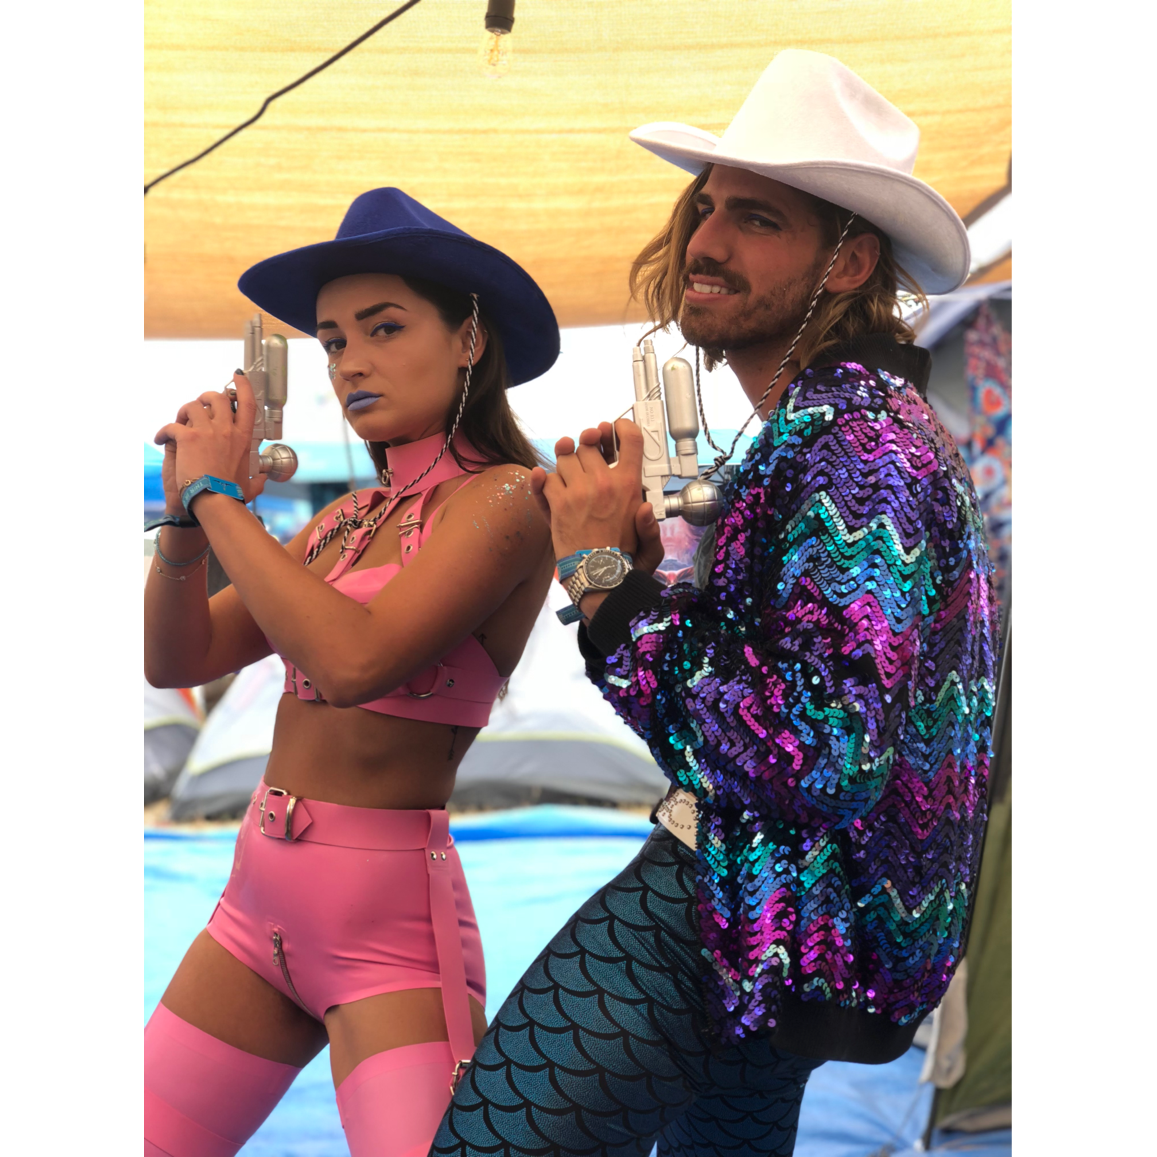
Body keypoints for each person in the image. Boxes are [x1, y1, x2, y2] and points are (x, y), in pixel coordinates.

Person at [432, 50, 997, 1156]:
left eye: (757, 218)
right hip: (776, 918)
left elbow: (818, 755)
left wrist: (603, 582)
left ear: (847, 262)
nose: (706, 240)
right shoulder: (827, 426)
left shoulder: (857, 449)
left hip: (743, 903)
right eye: (707, 206)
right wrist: (648, 583)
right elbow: (782, 694)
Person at [143, 187, 560, 1157]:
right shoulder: (340, 521)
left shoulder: (507, 498)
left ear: (468, 338)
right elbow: (175, 657)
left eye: (383, 327)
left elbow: (352, 662)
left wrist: (220, 498)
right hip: (253, 910)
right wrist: (183, 520)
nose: (350, 363)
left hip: (390, 941)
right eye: (332, 341)